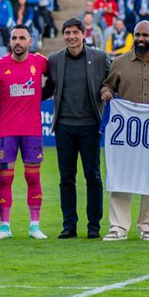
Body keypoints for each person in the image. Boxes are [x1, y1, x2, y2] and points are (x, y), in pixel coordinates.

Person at [100, 20, 149, 241]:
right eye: (138, 35)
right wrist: (106, 93)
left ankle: (147, 226)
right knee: (120, 177)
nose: (141, 39)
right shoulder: (119, 62)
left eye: (145, 35)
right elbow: (108, 85)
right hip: (124, 135)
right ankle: (118, 227)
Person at [44, 18, 111, 238]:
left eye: (75, 32)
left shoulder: (99, 57)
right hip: (64, 127)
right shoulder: (54, 60)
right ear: (63, 35)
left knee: (93, 177)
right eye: (67, 32)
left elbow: (113, 80)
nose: (71, 36)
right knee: (66, 178)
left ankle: (94, 226)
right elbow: (48, 88)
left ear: (84, 34)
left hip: (90, 126)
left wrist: (106, 89)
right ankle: (69, 225)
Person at [0, 25, 49, 239]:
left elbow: (56, 80)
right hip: (6, 132)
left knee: (33, 177)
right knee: (5, 179)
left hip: (32, 131)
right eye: (14, 38)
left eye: (22, 38)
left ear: (30, 42)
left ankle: (35, 226)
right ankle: (4, 226)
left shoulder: (41, 62)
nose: (17, 42)